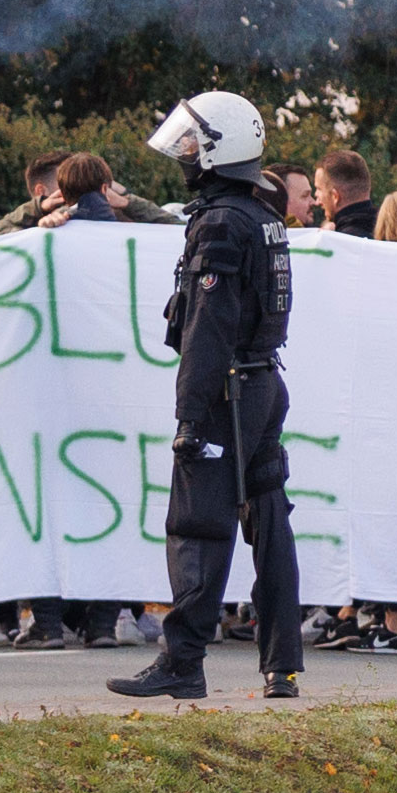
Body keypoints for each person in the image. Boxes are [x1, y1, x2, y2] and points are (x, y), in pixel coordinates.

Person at [109, 92, 299, 704]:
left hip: (226, 392)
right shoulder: (261, 215)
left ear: (222, 150)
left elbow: (206, 329)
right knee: (268, 523)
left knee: (196, 525)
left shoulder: (219, 222)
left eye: (194, 145)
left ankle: (182, 662)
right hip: (264, 383)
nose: (185, 156)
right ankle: (282, 668)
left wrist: (191, 417)